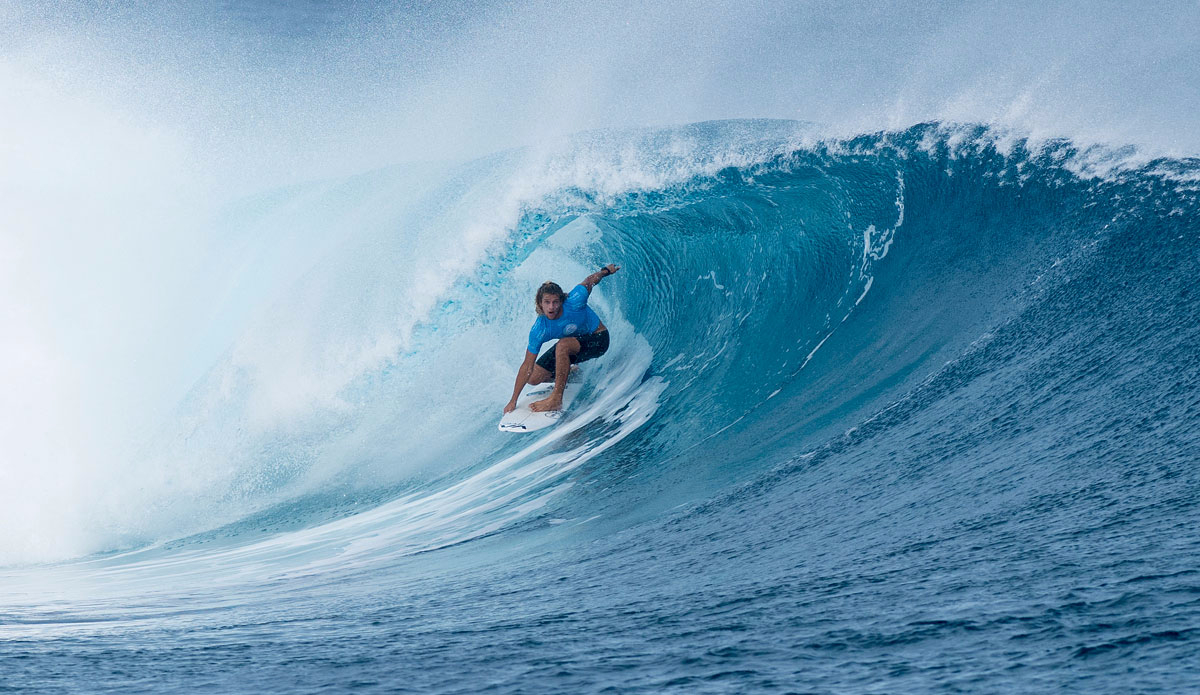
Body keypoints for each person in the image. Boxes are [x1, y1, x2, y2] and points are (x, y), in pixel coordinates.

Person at [504, 264, 620, 414]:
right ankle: (570, 372)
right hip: (574, 344)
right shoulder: (540, 329)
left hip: (599, 339)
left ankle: (556, 400)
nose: (551, 307)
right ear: (540, 303)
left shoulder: (575, 300)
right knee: (532, 378)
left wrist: (606, 271)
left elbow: (590, 281)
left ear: (561, 300)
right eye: (547, 302)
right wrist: (513, 400)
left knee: (562, 345)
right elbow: (527, 365)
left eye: (555, 302)